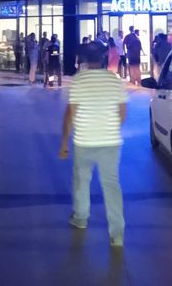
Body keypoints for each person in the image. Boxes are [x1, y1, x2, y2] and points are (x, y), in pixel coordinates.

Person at [58, 41, 128, 248]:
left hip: (84, 141)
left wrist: (64, 142)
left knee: (81, 181)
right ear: (104, 57)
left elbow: (70, 114)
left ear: (86, 59)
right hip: (110, 142)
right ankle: (117, 234)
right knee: (111, 185)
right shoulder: (115, 80)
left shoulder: (78, 80)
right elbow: (122, 113)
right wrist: (108, 128)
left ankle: (81, 218)